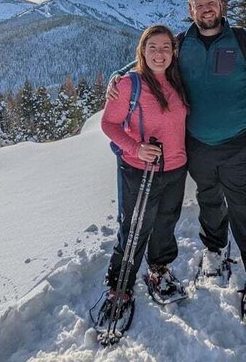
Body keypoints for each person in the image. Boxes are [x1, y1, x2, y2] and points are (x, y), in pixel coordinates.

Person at [108, 0, 246, 328]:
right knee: (209, 199)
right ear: (190, 11)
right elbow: (149, 60)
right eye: (198, 5)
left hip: (240, 141)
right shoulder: (182, 42)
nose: (206, 9)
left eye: (211, 3)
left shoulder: (244, 41)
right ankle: (214, 251)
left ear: (221, 5)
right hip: (198, 144)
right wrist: (119, 74)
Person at [99, 24, 189, 322]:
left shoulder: (179, 80)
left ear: (174, 52)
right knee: (135, 226)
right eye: (153, 48)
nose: (160, 54)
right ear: (142, 51)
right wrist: (135, 148)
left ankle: (158, 269)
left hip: (175, 167)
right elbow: (109, 125)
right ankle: (119, 285)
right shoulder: (128, 84)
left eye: (165, 48)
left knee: (165, 223)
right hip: (138, 170)